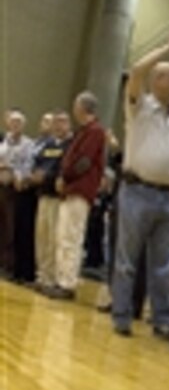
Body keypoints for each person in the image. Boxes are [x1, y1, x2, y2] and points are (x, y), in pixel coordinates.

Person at [111, 33, 169, 337]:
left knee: (164, 266)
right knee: (127, 261)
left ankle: (163, 319)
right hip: (138, 192)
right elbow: (135, 71)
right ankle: (121, 315)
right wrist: (168, 49)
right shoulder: (139, 109)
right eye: (161, 74)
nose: (167, 78)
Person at [50, 92, 108, 300]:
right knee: (63, 235)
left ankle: (67, 283)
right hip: (70, 189)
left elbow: (84, 161)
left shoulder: (95, 132)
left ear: (82, 108)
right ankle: (60, 279)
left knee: (71, 236)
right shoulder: (84, 131)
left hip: (79, 189)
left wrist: (65, 177)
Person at [33, 111, 72, 296]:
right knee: (42, 236)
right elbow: (38, 162)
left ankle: (54, 278)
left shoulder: (70, 145)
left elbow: (64, 168)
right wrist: (35, 174)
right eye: (56, 122)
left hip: (58, 198)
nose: (58, 126)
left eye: (62, 122)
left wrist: (47, 176)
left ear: (69, 125)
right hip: (44, 195)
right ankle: (42, 275)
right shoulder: (47, 145)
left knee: (54, 239)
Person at [0, 109, 36, 282]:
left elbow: (29, 165)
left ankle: (10, 265)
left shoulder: (28, 144)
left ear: (23, 125)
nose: (15, 125)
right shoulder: (3, 142)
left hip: (15, 189)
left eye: (18, 122)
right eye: (12, 122)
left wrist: (15, 173)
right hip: (1, 186)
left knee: (11, 227)